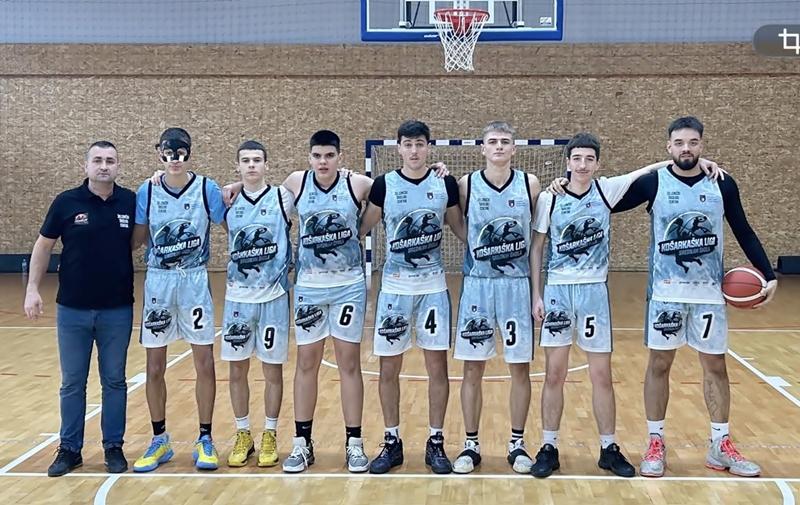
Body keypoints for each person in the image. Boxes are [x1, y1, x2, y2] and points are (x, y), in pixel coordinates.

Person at [529, 132, 724, 478]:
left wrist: (700, 163)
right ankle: (548, 446)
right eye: (577, 159)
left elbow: (646, 170)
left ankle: (608, 448)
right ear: (568, 162)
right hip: (558, 291)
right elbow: (537, 247)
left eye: (589, 159)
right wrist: (536, 294)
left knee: (601, 376)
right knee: (554, 374)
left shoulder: (606, 189)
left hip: (594, 292)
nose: (583, 165)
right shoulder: (549, 198)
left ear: (597, 164)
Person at [611, 116, 778, 478]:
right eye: (679, 143)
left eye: (692, 142)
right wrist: (565, 184)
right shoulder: (655, 182)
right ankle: (655, 442)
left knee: (716, 366)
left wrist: (768, 274)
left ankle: (720, 445)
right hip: (665, 294)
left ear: (702, 144)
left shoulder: (722, 183)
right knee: (659, 365)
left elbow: (743, 229)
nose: (686, 149)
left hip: (709, 295)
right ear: (668, 146)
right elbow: (606, 200)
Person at [358, 120, 465, 475]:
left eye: (420, 144)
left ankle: (436, 442)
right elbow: (361, 227)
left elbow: (461, 228)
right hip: (395, 288)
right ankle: (392, 442)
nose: (414, 150)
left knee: (438, 368)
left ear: (428, 147)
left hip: (433, 288)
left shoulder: (445, 183)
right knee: (389, 368)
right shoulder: (384, 185)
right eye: (408, 144)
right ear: (399, 148)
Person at [24, 141, 135, 477]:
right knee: (72, 383)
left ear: (118, 166)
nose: (104, 166)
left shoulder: (130, 201)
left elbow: (139, 238)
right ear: (86, 165)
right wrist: (32, 289)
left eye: (110, 160)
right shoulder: (66, 202)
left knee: (114, 381)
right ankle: (69, 449)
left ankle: (113, 447)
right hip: (72, 310)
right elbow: (43, 246)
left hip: (117, 309)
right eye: (97, 160)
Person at [131, 128, 226, 472]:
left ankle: (205, 438)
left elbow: (231, 222)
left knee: (204, 362)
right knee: (154, 365)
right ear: (159, 153)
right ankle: (160, 439)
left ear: (190, 153)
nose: (174, 158)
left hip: (194, 281)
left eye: (181, 152)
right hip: (159, 281)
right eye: (168, 152)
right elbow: (137, 239)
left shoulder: (207, 188)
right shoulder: (147, 190)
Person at [279, 130, 374, 473]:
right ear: (309, 157)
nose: (323, 162)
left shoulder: (357, 183)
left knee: (349, 363)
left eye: (329, 156)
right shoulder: (296, 182)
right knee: (307, 363)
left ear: (339, 157)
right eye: (317, 156)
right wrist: (233, 186)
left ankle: (354, 444)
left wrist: (437, 169)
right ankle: (302, 443)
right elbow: (262, 196)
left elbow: (390, 190)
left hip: (348, 285)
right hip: (309, 285)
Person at [451, 121, 540, 474]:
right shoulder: (466, 184)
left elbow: (538, 233)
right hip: (478, 284)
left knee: (520, 367)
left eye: (505, 141)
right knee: (473, 367)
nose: (499, 146)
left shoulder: (530, 184)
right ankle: (470, 444)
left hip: (517, 285)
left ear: (514, 148)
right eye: (493, 141)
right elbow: (457, 223)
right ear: (483, 148)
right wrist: (479, 247)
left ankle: (517, 444)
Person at [221, 140, 294, 468]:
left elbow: (313, 182)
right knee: (237, 369)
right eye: (246, 161)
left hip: (274, 297)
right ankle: (242, 433)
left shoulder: (283, 197)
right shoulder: (226, 200)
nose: (251, 165)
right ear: (237, 166)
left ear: (267, 165)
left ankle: (270, 433)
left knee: (271, 369)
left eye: (257, 160)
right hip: (237, 298)